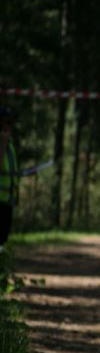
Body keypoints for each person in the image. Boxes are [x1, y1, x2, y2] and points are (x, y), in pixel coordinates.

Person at [0, 107, 19, 253]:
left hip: (7, 201)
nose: (9, 127)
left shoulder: (10, 145)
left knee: (3, 243)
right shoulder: (4, 143)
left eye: (11, 123)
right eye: (6, 123)